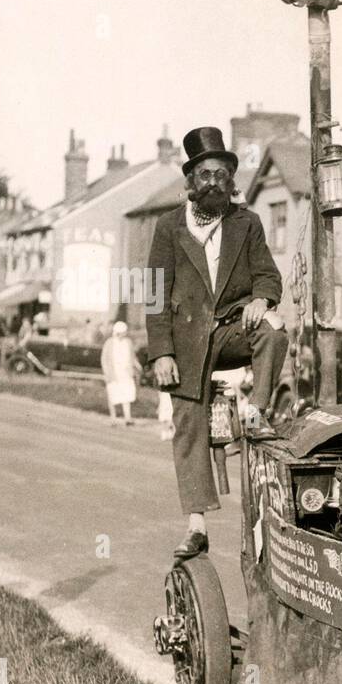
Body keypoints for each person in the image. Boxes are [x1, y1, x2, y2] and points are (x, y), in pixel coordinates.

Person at [146, 126, 288, 561]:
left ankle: (257, 410)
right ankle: (196, 525)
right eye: (204, 174)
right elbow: (153, 292)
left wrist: (262, 299)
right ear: (191, 182)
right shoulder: (169, 227)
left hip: (229, 331)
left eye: (221, 174)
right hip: (186, 343)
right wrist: (162, 352)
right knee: (188, 425)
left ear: (231, 181)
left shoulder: (248, 223)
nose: (213, 182)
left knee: (275, 328)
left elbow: (267, 273)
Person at [101, 320, 140, 426]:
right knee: (113, 394)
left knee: (127, 394)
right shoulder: (109, 343)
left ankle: (128, 418)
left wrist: (137, 366)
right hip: (113, 373)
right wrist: (107, 373)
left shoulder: (128, 342)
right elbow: (104, 359)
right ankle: (113, 418)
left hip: (126, 372)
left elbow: (132, 356)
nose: (124, 334)